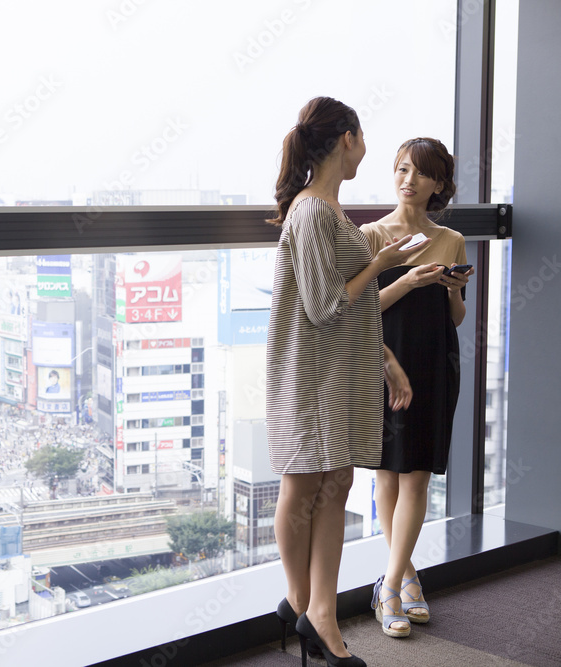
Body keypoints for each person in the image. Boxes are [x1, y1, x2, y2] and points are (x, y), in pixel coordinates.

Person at [266, 96, 421, 667]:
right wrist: (382, 263)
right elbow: (326, 305)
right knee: (304, 486)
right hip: (309, 377)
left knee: (336, 486)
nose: (368, 151)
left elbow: (353, 308)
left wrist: (387, 358)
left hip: (338, 372)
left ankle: (318, 613)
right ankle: (302, 602)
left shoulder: (329, 211)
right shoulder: (312, 212)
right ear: (348, 138)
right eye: (365, 138)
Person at [359, 137, 472, 637]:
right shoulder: (370, 235)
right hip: (388, 360)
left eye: (420, 173)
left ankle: (399, 576)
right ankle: (398, 583)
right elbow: (359, 311)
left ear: (438, 184)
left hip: (435, 359)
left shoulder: (451, 239)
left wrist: (450, 290)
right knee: (388, 472)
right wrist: (408, 280)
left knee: (418, 472)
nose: (408, 180)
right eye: (402, 169)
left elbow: (459, 318)